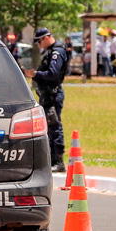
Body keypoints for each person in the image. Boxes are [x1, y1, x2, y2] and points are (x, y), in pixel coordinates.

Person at [25, 28, 69, 172]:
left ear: (45, 38)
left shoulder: (57, 52)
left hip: (52, 95)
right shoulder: (50, 52)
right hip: (47, 95)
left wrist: (36, 74)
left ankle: (58, 161)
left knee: (54, 127)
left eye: (39, 41)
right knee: (48, 128)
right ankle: (51, 159)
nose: (38, 45)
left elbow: (53, 74)